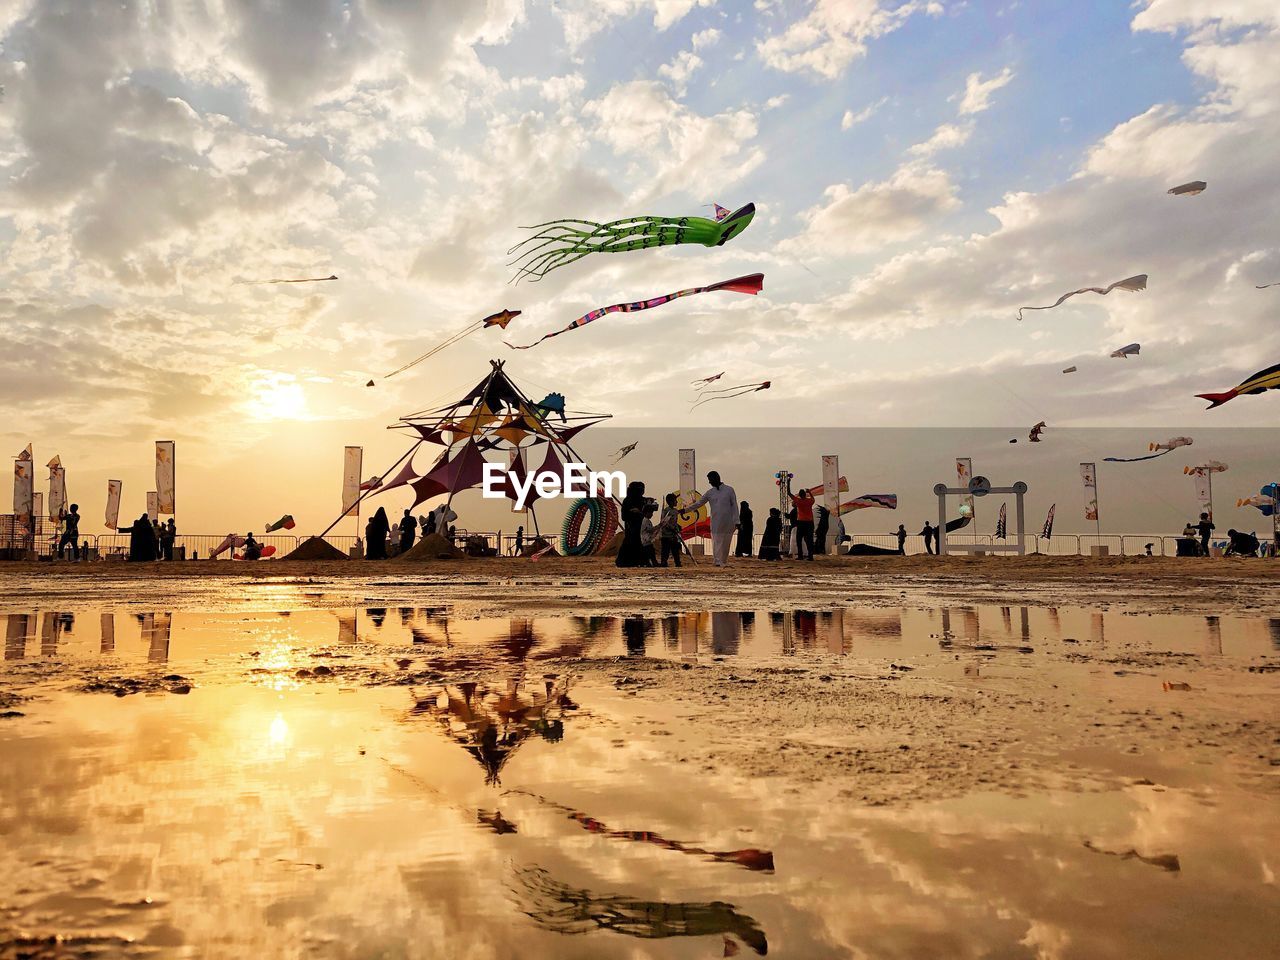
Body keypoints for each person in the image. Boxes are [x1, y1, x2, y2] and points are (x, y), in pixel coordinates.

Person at [685, 471, 739, 568]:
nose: (709, 482)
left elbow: (734, 506)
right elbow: (698, 504)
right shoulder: (710, 493)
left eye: (710, 480)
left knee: (726, 543)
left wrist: (737, 521)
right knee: (716, 542)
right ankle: (717, 561)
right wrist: (685, 510)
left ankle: (723, 561)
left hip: (728, 522)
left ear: (716, 478)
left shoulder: (729, 490)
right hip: (716, 522)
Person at [616, 481, 648, 567]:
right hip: (631, 527)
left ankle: (640, 561)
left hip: (641, 527)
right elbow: (624, 516)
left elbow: (646, 513)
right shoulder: (627, 501)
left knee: (640, 544)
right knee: (630, 543)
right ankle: (624, 562)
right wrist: (634, 512)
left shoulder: (643, 500)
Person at [658, 493, 683, 568]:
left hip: (674, 535)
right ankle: (663, 562)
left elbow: (675, 522)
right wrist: (671, 528)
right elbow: (664, 522)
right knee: (665, 550)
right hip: (666, 535)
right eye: (675, 500)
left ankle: (677, 563)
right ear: (671, 501)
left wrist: (677, 528)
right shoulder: (666, 511)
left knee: (675, 550)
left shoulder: (675, 511)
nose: (677, 502)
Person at [790, 489, 815, 561]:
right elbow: (813, 498)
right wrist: (809, 492)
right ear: (805, 494)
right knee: (809, 540)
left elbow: (789, 493)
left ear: (800, 495)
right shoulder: (809, 501)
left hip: (801, 522)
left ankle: (800, 555)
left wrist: (788, 483)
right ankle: (810, 556)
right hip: (809, 522)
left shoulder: (798, 501)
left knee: (799, 540)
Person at [640, 502, 658, 567]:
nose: (652, 515)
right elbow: (650, 530)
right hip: (646, 541)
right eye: (651, 513)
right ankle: (653, 563)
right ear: (646, 513)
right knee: (650, 553)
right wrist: (658, 526)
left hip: (646, 541)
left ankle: (649, 563)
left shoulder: (646, 520)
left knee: (649, 554)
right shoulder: (645, 521)